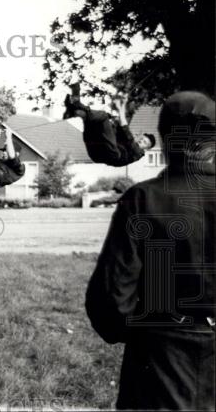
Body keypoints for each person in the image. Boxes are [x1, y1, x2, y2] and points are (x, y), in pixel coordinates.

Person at [85, 91, 215, 410]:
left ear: (165, 138)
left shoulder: (142, 200)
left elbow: (111, 301)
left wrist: (144, 332)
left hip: (158, 364)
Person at [63, 84, 155, 167]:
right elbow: (121, 125)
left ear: (146, 149)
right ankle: (73, 112)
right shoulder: (128, 144)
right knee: (93, 121)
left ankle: (77, 106)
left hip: (111, 154)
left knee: (103, 116)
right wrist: (123, 103)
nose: (141, 141)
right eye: (142, 139)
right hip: (95, 150)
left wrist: (120, 107)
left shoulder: (137, 153)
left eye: (145, 143)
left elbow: (125, 129)